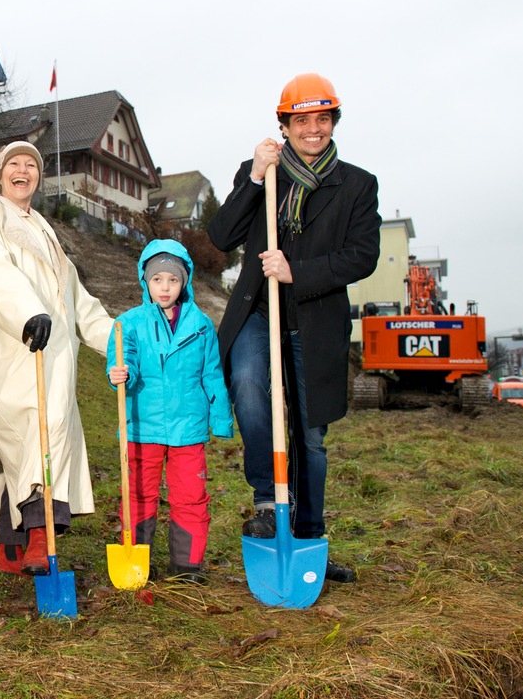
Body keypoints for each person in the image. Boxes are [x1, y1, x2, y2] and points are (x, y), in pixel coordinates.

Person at [207, 73, 379, 584]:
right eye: (301, 120)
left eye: (322, 119)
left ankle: (307, 540)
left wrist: (297, 271)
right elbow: (221, 235)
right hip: (259, 311)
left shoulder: (357, 184)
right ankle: (266, 501)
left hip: (315, 318)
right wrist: (257, 178)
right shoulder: (261, 171)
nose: (312, 130)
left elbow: (363, 255)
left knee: (310, 434)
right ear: (284, 124)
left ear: (332, 123)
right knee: (249, 389)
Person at [0, 141, 114, 575]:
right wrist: (28, 315)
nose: (23, 170)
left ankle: (11, 549)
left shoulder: (45, 230)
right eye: (14, 163)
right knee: (32, 434)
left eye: (31, 165)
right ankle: (39, 537)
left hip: (54, 356)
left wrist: (119, 339)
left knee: (31, 442)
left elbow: (76, 300)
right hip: (11, 345)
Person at [106, 241, 234, 584]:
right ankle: (139, 561)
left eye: (172, 280)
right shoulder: (128, 324)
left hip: (187, 428)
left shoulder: (202, 325)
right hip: (141, 425)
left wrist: (220, 419)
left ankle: (187, 565)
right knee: (139, 494)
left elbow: (212, 373)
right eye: (157, 279)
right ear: (145, 281)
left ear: (185, 282)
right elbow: (123, 359)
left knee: (190, 497)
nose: (165, 287)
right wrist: (121, 372)